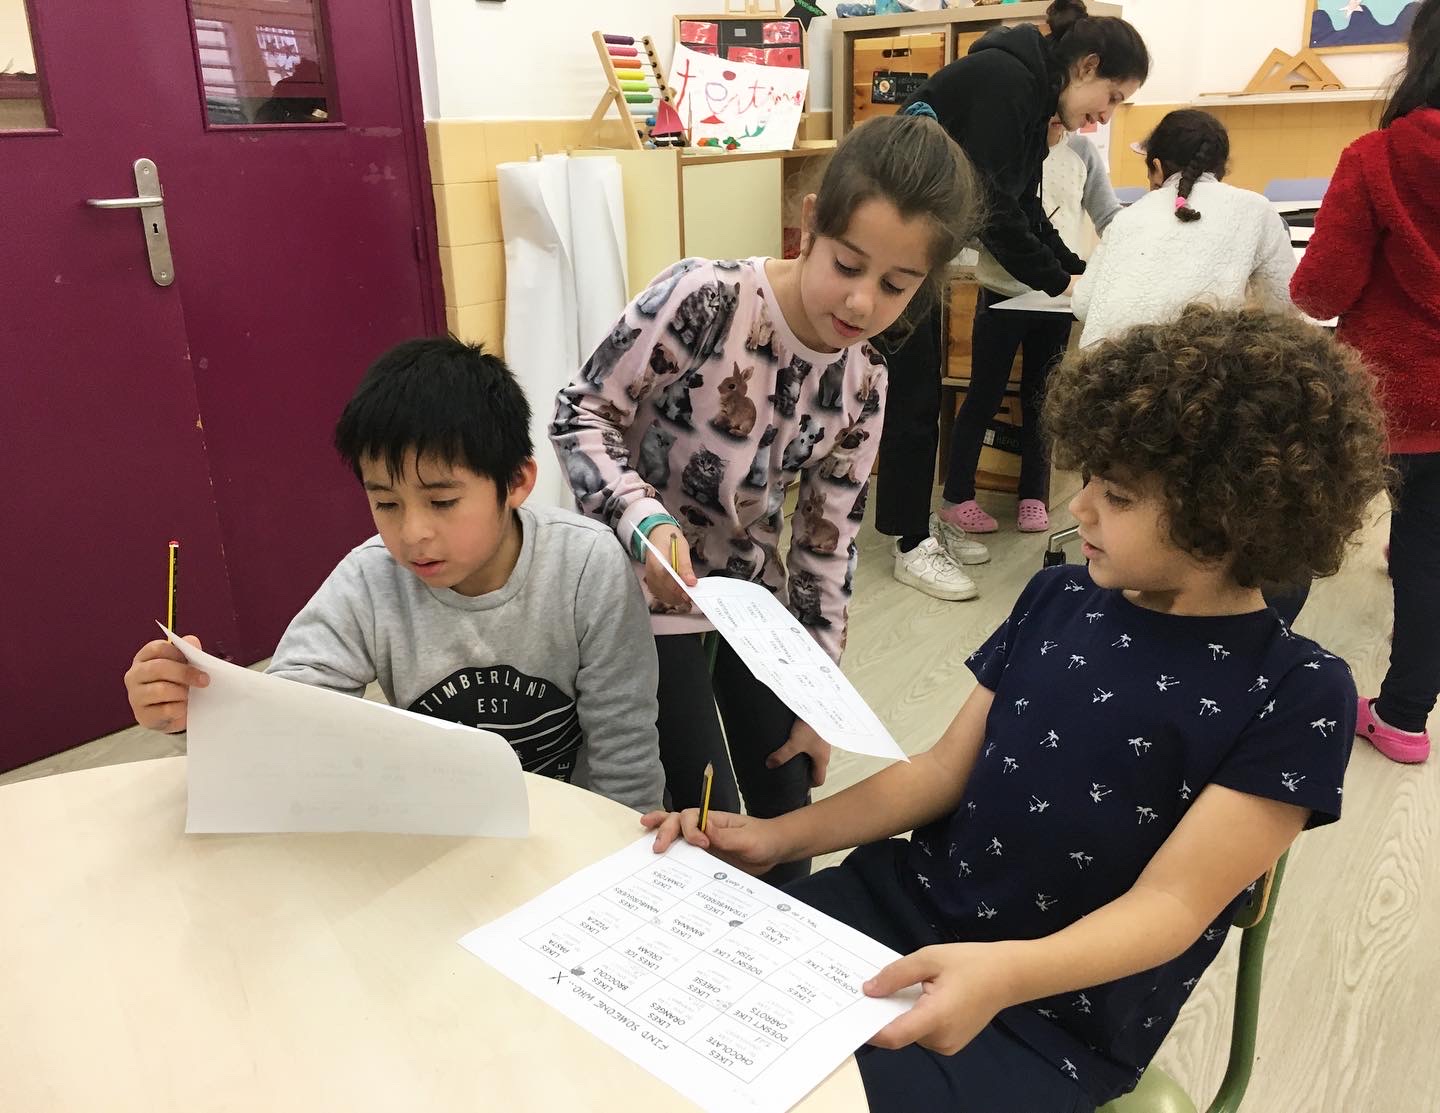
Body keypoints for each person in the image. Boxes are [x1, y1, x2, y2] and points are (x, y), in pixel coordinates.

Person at [646, 305, 1389, 1111]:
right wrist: (778, 837)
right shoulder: (1058, 596)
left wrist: (1003, 973)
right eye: (1089, 479)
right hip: (897, 906)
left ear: (1229, 515)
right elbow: (939, 771)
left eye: (1117, 494)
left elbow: (1170, 906)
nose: (1081, 509)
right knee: (668, 1006)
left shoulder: (1297, 692)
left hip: (1048, 1014)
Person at [550, 114, 985, 883]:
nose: (861, 301)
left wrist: (818, 697)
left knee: (788, 812)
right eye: (847, 264)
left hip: (751, 598)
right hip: (642, 586)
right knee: (710, 816)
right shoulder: (704, 297)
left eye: (896, 285)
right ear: (809, 223)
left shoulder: (864, 381)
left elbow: (827, 545)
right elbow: (580, 413)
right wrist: (641, 520)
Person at [123, 337, 664, 813]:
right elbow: (290, 713)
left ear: (517, 482)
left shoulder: (586, 567)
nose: (412, 534)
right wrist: (194, 709)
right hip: (433, 827)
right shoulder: (370, 580)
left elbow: (624, 746)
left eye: (442, 501)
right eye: (386, 503)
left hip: (569, 829)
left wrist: (624, 850)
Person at [877, 0, 1149, 599]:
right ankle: (909, 541)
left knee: (920, 395)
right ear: (1087, 65)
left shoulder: (1031, 96)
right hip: (887, 240)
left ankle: (915, 525)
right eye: (1112, 96)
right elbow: (993, 210)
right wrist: (1059, 283)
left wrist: (1076, 271)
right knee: (914, 397)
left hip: (921, 243)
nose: (1106, 116)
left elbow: (1024, 204)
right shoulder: (1008, 80)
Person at [1291, 0, 1440, 764]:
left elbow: (1320, 291)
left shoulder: (1375, 157)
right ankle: (1405, 719)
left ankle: (1239, 683)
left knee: (1299, 531)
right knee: (1429, 557)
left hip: (1377, 400)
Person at [941, 116, 1122, 540]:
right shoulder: (1007, 149)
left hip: (1058, 300)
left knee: (1043, 401)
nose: (1057, 127)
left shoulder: (1081, 152)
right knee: (983, 396)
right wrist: (1013, 240)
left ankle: (1033, 496)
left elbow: (1108, 216)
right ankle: (957, 496)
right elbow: (975, 220)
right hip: (1000, 295)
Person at [1073, 109, 1295, 349]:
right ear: (1222, 167)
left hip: (1105, 367)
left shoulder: (1126, 218)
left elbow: (1083, 304)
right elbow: (1286, 304)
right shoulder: (1256, 209)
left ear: (1156, 167)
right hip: (1198, 364)